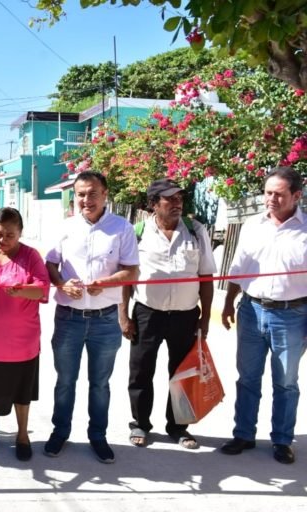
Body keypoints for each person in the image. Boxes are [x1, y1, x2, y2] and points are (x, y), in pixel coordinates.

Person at [44, 171, 139, 464]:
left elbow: (131, 271)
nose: (86, 200)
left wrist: (107, 283)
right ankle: (60, 432)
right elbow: (50, 264)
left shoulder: (122, 228)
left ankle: (98, 436)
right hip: (68, 318)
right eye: (81, 194)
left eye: (92, 193)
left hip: (105, 320)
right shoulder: (64, 227)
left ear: (105, 194)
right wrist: (61, 283)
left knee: (100, 383)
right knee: (65, 381)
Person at [119, 178, 216, 450]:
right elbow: (126, 279)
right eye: (169, 199)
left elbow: (206, 277)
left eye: (179, 198)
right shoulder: (136, 232)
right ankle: (140, 424)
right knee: (140, 372)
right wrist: (124, 316)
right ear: (153, 204)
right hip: (147, 314)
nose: (177, 203)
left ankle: (178, 427)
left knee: (182, 372)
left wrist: (205, 318)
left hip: (185, 316)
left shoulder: (196, 231)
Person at [220, 166, 307, 465]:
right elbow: (237, 268)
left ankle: (282, 440)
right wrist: (230, 301)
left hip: (292, 315)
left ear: (296, 195)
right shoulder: (252, 226)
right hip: (251, 310)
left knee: (286, 382)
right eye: (268, 192)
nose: (271, 199)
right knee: (247, 378)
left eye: (278, 194)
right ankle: (243, 433)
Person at [0, 207, 49, 461]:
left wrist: (22, 289)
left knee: (21, 391)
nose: (3, 240)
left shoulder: (30, 255)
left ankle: (22, 434)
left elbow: (43, 290)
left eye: (10, 235)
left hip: (22, 341)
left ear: (20, 233)